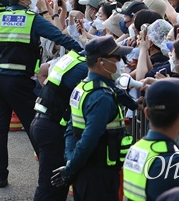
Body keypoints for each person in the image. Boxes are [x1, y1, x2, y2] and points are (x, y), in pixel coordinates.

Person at [0, 0, 83, 189]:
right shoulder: (31, 20)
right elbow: (59, 37)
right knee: (36, 128)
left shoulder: (0, 18)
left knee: (0, 130)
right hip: (19, 83)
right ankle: (51, 177)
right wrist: (84, 53)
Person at [52, 36, 134, 200]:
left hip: (86, 170)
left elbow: (70, 128)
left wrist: (71, 161)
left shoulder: (82, 87)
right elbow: (89, 138)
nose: (121, 62)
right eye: (117, 58)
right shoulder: (101, 97)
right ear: (101, 62)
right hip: (98, 174)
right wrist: (71, 166)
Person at [30, 50, 89, 201]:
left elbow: (43, 71)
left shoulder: (71, 58)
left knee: (56, 185)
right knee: (50, 188)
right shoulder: (84, 70)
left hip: (42, 122)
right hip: (51, 128)